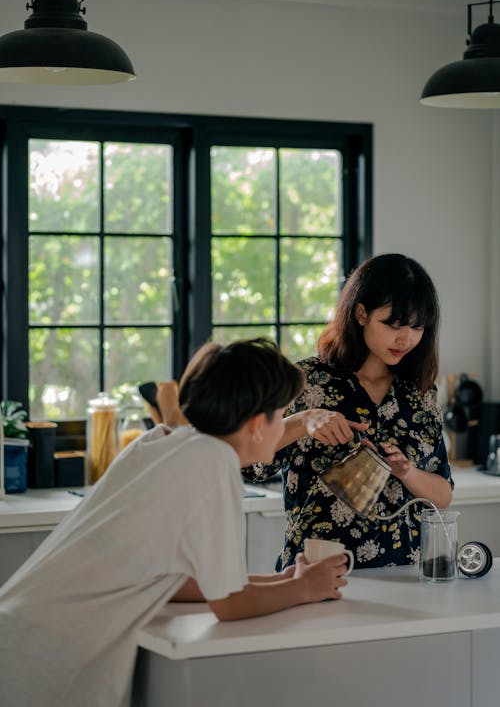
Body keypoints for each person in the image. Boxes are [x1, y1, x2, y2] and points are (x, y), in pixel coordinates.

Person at [0, 339, 349, 707]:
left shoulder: (160, 442)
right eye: (281, 416)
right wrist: (306, 588)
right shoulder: (215, 465)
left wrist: (277, 580)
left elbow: (166, 578)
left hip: (18, 627)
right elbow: (229, 604)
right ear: (256, 424)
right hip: (39, 658)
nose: (283, 428)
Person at [243, 254, 453, 571]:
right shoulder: (307, 381)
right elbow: (250, 465)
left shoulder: (420, 394)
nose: (406, 339)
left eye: (417, 327)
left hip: (403, 575)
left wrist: (406, 471)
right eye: (393, 325)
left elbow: (443, 496)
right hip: (311, 572)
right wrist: (303, 422)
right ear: (360, 314)